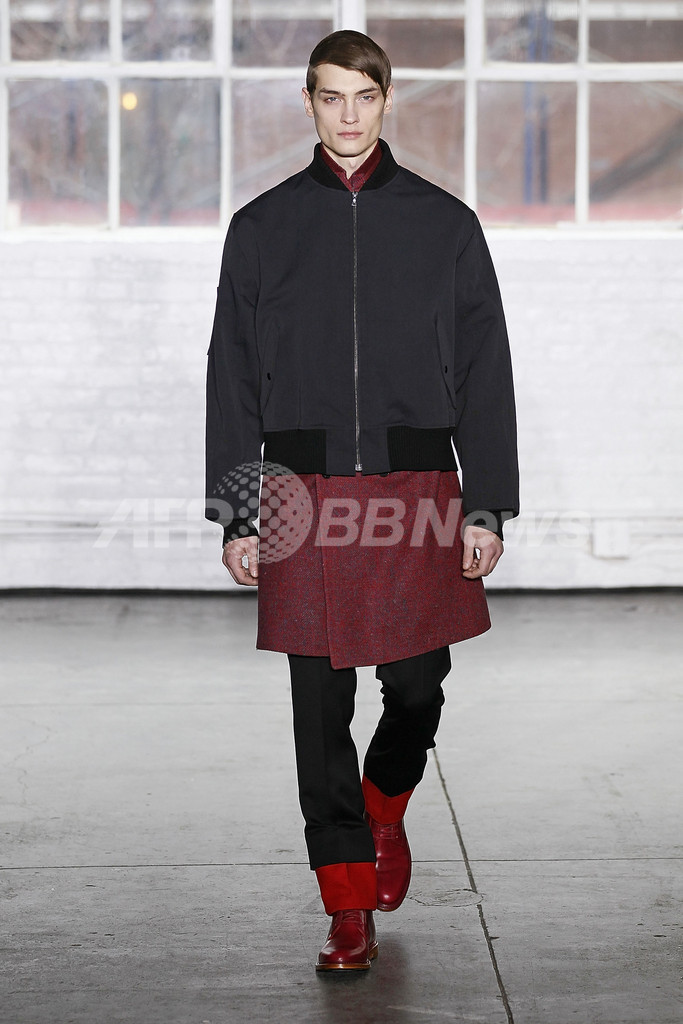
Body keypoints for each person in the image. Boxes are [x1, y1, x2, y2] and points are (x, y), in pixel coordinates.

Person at [205, 30, 519, 972]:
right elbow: (231, 375)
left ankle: (385, 805)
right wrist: (238, 513)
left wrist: (486, 503)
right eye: (331, 96)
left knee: (417, 685)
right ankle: (345, 902)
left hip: (414, 486)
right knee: (318, 707)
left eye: (364, 96)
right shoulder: (261, 228)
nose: (348, 114)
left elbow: (485, 368)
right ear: (307, 102)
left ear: (387, 100)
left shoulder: (444, 224)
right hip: (298, 493)